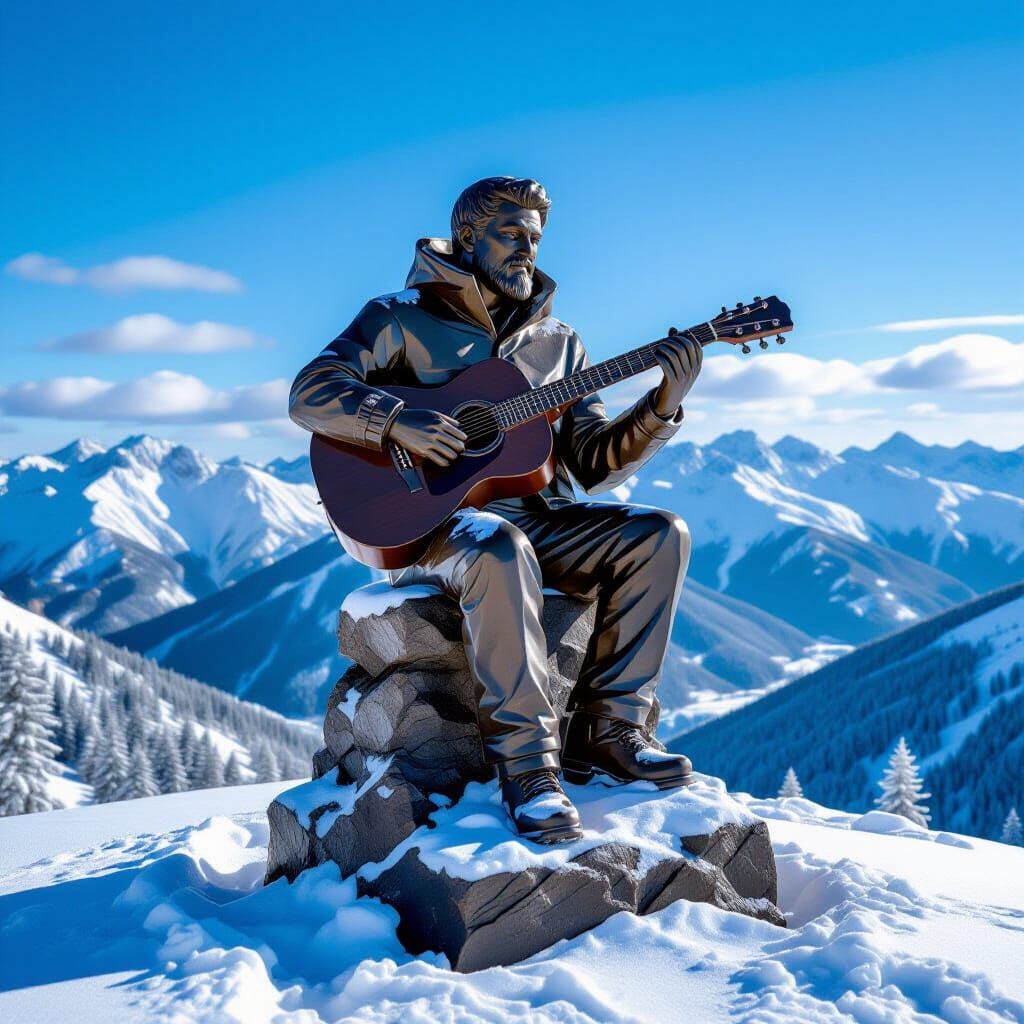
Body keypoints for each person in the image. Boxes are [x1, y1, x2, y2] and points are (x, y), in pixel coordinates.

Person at [290, 177, 702, 843]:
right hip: (433, 523)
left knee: (659, 533)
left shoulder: (559, 344)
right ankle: (529, 768)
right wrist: (398, 422)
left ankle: (612, 731)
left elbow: (592, 462)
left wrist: (660, 407)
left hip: (541, 515)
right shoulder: (398, 317)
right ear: (470, 237)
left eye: (535, 238)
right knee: (498, 543)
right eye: (513, 234)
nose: (527, 250)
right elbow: (311, 391)